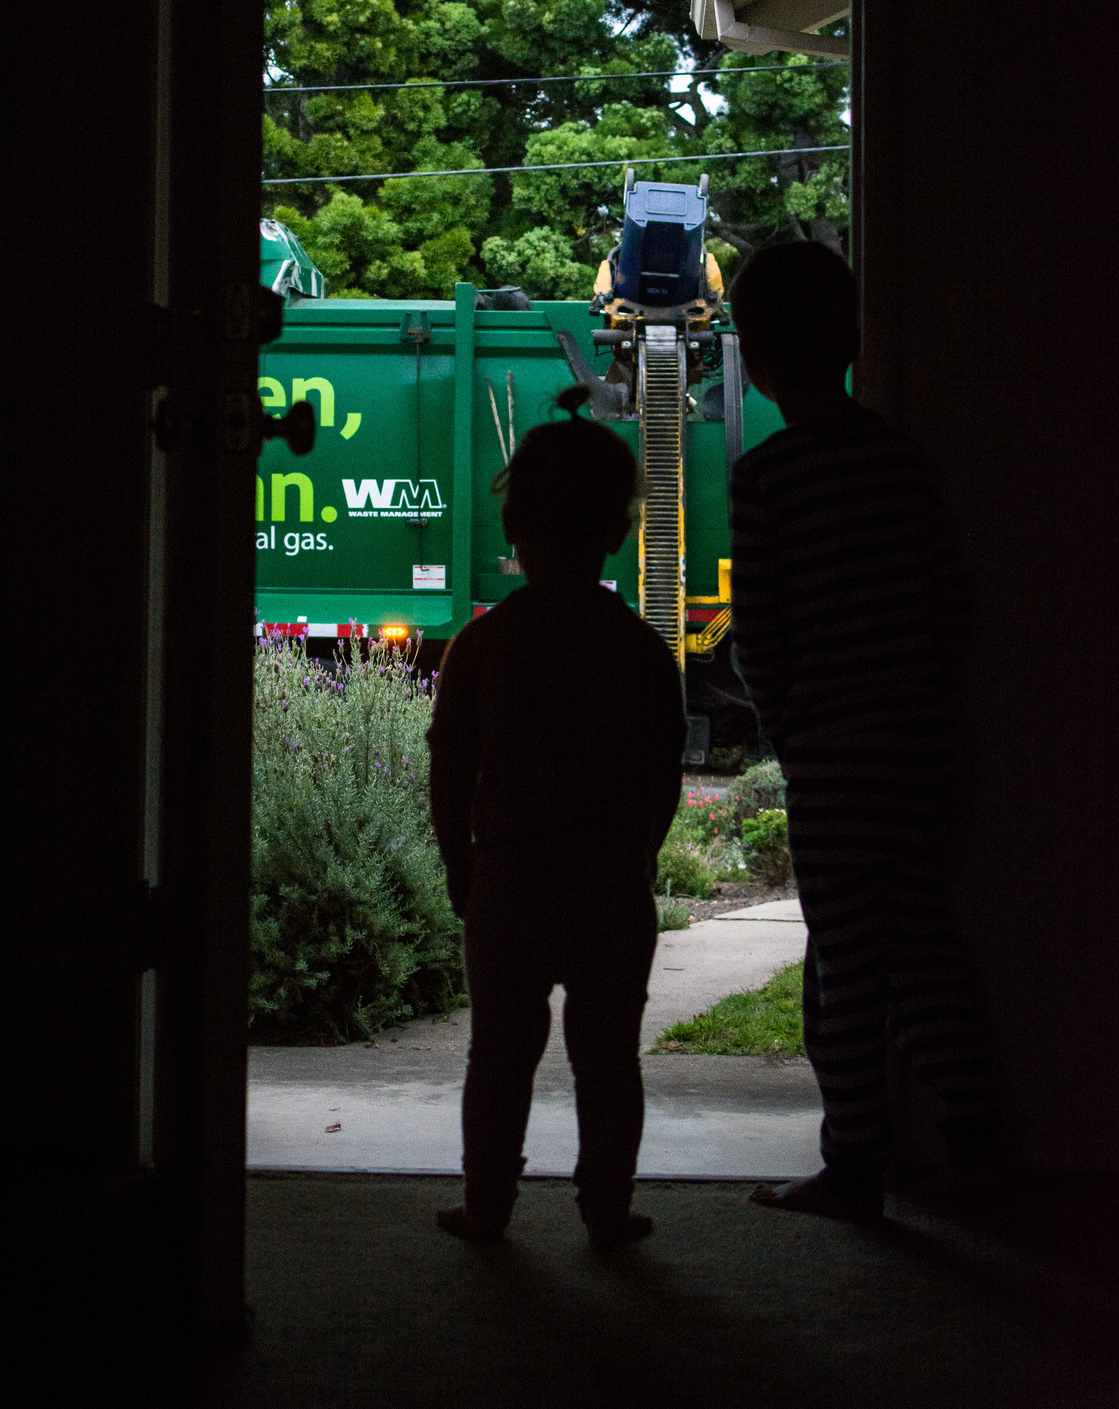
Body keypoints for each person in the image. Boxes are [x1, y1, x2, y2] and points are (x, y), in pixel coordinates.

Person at [727, 241, 1000, 1219]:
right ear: (851, 342)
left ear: (755, 362)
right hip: (919, 749)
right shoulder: (899, 458)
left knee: (842, 963)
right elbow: (950, 601)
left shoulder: (766, 478)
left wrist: (790, 733)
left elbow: (758, 639)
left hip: (834, 758)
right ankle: (975, 1134)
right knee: (919, 942)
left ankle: (852, 1163)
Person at [427, 390, 686, 1248]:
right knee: (608, 1060)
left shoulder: (482, 647)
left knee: (497, 1055)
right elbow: (662, 774)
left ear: (513, 526)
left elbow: (450, 770)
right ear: (618, 531)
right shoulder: (640, 650)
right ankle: (607, 1209)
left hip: (508, 877)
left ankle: (487, 1205)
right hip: (609, 882)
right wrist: (639, 857)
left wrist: (461, 869)